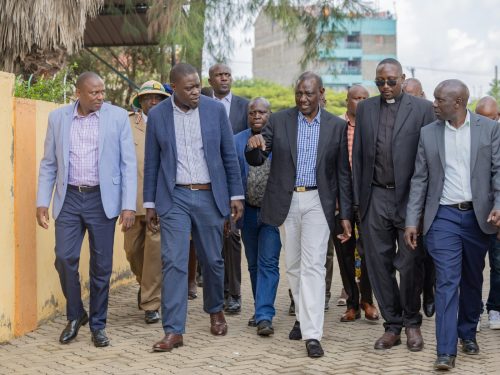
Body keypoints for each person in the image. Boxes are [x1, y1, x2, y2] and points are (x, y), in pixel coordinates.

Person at [246, 72, 352, 358]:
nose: (303, 99)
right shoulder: (279, 121)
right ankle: (304, 318)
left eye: (308, 94)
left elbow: (343, 172)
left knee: (314, 266)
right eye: (299, 94)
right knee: (293, 266)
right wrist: (253, 146)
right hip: (287, 199)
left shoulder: (335, 125)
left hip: (319, 200)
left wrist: (346, 214)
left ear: (320, 93)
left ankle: (313, 334)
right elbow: (258, 157)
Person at [144, 63, 244, 352]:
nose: (196, 91)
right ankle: (174, 330)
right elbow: (152, 161)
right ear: (173, 87)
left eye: (198, 86)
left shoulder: (214, 111)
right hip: (173, 197)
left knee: (213, 259)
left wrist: (235, 195)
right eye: (189, 88)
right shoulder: (158, 115)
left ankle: (215, 309)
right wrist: (149, 203)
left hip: (209, 195)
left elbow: (228, 156)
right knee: (173, 261)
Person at [36, 72, 137, 347]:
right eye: (94, 92)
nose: (100, 97)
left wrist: (129, 205)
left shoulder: (117, 117)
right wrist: (42, 201)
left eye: (102, 91)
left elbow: (128, 164)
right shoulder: (58, 118)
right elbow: (48, 163)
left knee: (101, 266)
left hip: (101, 199)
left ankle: (98, 325)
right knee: (64, 258)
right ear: (78, 93)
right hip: (68, 198)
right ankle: (76, 314)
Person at [405, 80, 500, 370]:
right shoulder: (428, 133)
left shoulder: (489, 128)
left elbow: (498, 171)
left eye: (438, 99)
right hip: (443, 217)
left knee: (473, 279)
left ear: (457, 103)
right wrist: (412, 221)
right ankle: (445, 351)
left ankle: (467, 332)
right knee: (447, 281)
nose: (433, 104)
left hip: (477, 217)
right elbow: (419, 179)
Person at [352, 58, 435, 351]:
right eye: (380, 82)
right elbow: (359, 158)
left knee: (411, 264)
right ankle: (393, 325)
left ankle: (412, 323)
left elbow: (431, 160)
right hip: (375, 197)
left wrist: (424, 206)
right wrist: (357, 205)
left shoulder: (423, 110)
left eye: (390, 81)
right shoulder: (365, 109)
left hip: (410, 199)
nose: (385, 87)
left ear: (402, 78)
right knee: (378, 264)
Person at [234, 97, 282, 334]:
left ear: (269, 115)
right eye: (252, 112)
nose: (256, 116)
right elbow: (232, 174)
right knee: (253, 265)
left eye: (262, 112)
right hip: (248, 212)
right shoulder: (236, 141)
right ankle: (259, 308)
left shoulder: (279, 141)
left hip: (271, 212)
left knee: (268, 263)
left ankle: (265, 315)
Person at [125, 80, 169, 324]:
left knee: (154, 253)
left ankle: (151, 303)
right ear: (139, 100)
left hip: (160, 200)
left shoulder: (169, 122)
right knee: (131, 250)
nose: (153, 102)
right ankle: (147, 286)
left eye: (158, 98)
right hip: (132, 200)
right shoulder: (126, 123)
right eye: (148, 97)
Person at [334, 85, 379, 323]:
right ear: (346, 101)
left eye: (364, 98)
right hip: (341, 200)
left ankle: (367, 300)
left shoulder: (374, 126)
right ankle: (352, 303)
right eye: (355, 98)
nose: (360, 102)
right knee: (345, 253)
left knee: (369, 252)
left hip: (369, 200)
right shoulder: (337, 127)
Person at [208, 63, 249, 314]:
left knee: (232, 235)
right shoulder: (201, 103)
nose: (224, 79)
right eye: (219, 76)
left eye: (227, 75)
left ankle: (234, 293)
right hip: (209, 181)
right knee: (214, 238)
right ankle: (219, 292)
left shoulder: (245, 106)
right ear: (210, 80)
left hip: (237, 180)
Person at [402, 77, 436, 318]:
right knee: (411, 254)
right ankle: (412, 300)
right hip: (403, 195)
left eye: (414, 95)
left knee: (428, 252)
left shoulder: (432, 117)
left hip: (427, 197)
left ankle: (429, 292)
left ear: (422, 95)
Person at [475, 95, 500, 330]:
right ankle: (475, 311)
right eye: (479, 118)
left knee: (498, 263)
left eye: (490, 119)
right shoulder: (468, 137)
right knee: (472, 265)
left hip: (498, 214)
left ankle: (495, 308)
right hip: (473, 212)